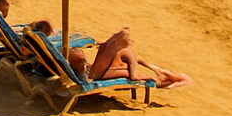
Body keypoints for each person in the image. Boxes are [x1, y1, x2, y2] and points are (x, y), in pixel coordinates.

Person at [41, 24, 191, 89]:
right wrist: (148, 78)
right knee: (126, 67)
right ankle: (168, 79)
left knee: (122, 63)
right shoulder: (128, 55)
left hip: (94, 70)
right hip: (92, 74)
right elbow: (133, 77)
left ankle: (168, 77)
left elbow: (133, 71)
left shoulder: (123, 54)